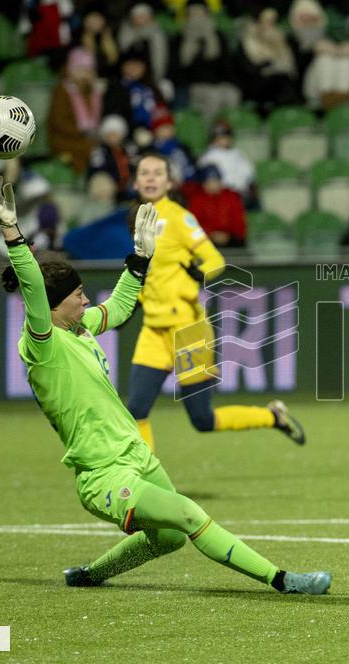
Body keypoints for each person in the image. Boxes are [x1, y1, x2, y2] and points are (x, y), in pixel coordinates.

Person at [0, 176, 330, 594]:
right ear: (52, 304)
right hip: (103, 474)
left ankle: (90, 575)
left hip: (136, 455)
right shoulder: (42, 343)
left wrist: (140, 257)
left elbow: (118, 307)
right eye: (78, 294)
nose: (86, 300)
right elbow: (32, 285)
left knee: (169, 538)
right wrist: (12, 231)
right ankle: (282, 580)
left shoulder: (79, 327)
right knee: (188, 513)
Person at [126, 153, 306, 451]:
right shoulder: (138, 219)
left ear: (169, 183)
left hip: (187, 329)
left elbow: (215, 259)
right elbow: (151, 272)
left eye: (158, 173)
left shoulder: (179, 217)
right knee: (135, 410)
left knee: (202, 419)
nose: (150, 178)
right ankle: (143, 474)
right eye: (145, 173)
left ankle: (272, 417)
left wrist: (200, 272)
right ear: (135, 182)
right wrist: (132, 302)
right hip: (153, 330)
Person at [48, 48, 104, 173]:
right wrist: (82, 132)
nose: (83, 74)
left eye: (87, 70)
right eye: (79, 70)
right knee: (90, 150)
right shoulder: (61, 91)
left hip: (88, 137)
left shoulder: (94, 91)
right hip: (65, 139)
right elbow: (59, 122)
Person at [181, 164, 247, 248]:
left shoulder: (232, 197)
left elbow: (240, 224)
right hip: (205, 239)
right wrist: (210, 234)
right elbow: (193, 225)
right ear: (203, 184)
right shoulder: (196, 199)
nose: (212, 185)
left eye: (215, 181)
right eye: (208, 182)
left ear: (221, 181)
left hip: (231, 239)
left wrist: (228, 235)